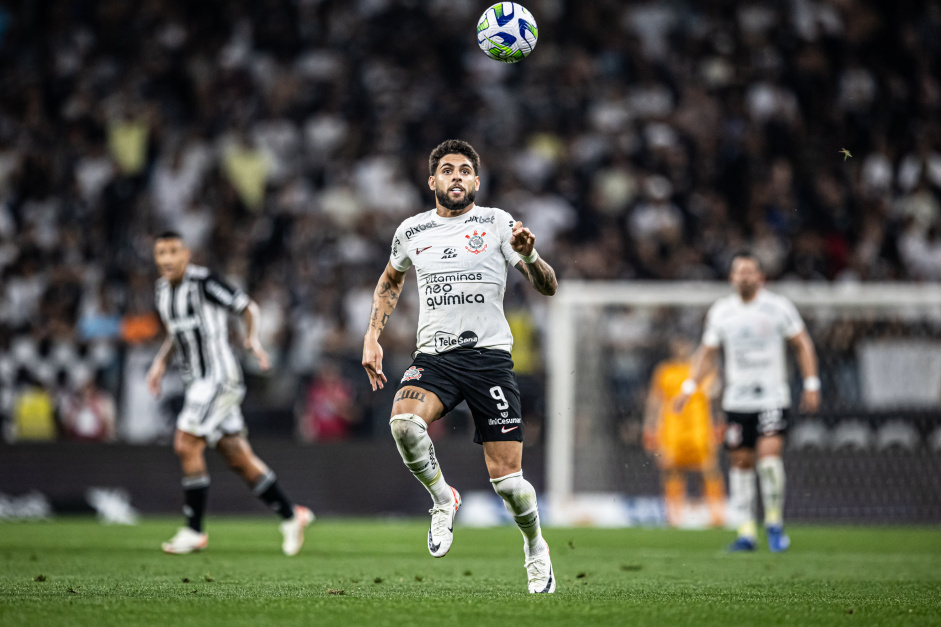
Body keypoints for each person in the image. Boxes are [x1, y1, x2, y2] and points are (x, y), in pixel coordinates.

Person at [361, 139, 559, 593]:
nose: (456, 176)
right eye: (446, 170)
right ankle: (442, 499)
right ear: (432, 181)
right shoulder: (412, 230)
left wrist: (529, 254)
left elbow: (548, 287)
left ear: (476, 180)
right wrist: (372, 335)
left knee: (509, 484)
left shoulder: (496, 223)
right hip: (435, 358)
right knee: (405, 423)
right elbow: (390, 280)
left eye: (465, 170)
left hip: (489, 361)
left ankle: (535, 547)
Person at [147, 231, 313, 555]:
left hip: (219, 379)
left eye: (173, 251)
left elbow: (247, 307)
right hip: (197, 382)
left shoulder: (204, 282)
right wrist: (158, 364)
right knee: (237, 457)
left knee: (186, 443)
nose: (167, 258)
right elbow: (177, 333)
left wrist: (252, 340)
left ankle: (194, 530)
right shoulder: (162, 291)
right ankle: (292, 515)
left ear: (186, 254)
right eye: (161, 252)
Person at [675, 251, 820, 552]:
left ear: (761, 277)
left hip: (771, 397)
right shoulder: (722, 311)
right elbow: (707, 353)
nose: (744, 276)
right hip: (736, 400)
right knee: (741, 464)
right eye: (739, 271)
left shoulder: (777, 308)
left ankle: (774, 524)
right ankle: (746, 532)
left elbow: (802, 343)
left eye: (750, 271)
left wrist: (811, 383)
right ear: (731, 278)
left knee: (768, 460)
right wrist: (689, 388)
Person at [643, 337, 725, 528]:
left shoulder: (702, 369)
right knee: (672, 470)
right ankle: (674, 516)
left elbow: (714, 398)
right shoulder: (665, 371)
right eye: (679, 343)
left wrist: (719, 422)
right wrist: (650, 425)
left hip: (699, 429)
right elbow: (655, 400)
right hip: (672, 429)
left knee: (708, 469)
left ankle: (717, 515)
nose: (682, 347)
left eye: (686, 343)